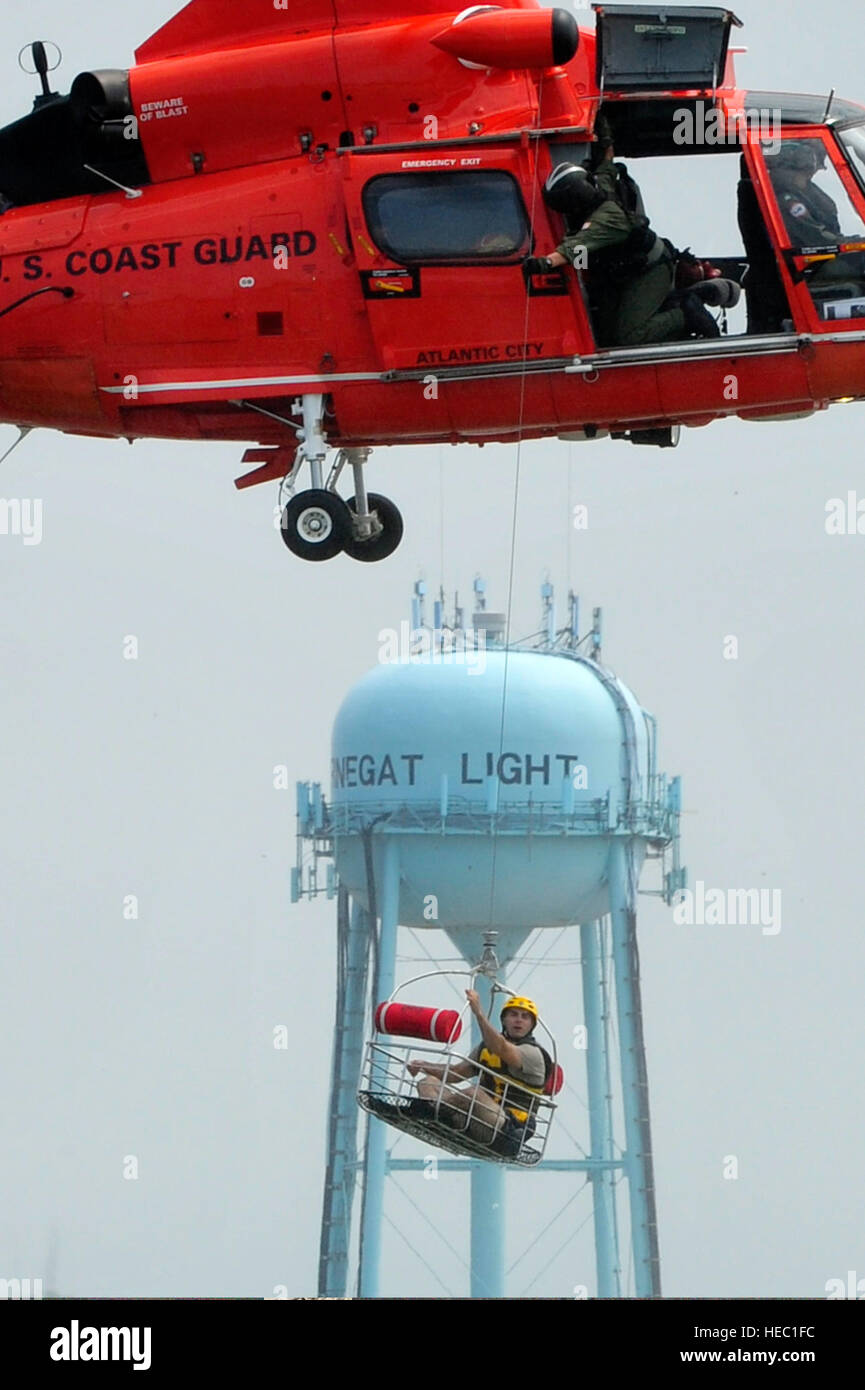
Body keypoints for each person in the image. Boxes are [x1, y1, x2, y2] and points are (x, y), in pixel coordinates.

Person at [525, 162, 725, 346]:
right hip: (624, 271)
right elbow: (606, 167)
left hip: (650, 271)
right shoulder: (600, 187)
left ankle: (684, 312)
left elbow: (576, 247)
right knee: (604, 336)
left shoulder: (607, 221)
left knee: (630, 336)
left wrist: (544, 263)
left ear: (573, 200)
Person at [407, 991, 548, 1156]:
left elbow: (502, 1048)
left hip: (506, 1128)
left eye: (525, 1017)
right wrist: (424, 1066)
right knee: (428, 1082)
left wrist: (479, 1014)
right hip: (474, 1119)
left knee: (474, 1094)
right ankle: (437, 1114)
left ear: (532, 1024)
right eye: (513, 1015)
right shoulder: (485, 1049)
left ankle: (431, 1112)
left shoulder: (532, 1054)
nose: (519, 1020)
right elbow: (455, 1073)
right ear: (504, 1020)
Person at [766, 140, 842, 248]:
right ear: (789, 172)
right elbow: (816, 237)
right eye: (805, 173)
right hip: (813, 259)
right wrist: (845, 243)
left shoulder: (804, 193)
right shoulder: (787, 201)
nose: (808, 177)